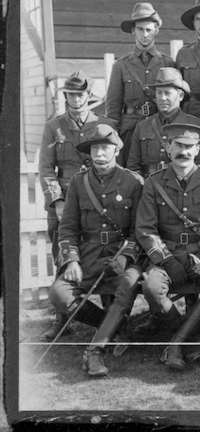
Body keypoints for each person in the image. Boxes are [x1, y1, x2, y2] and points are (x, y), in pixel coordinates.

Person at [47, 124, 144, 377]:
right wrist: (72, 261)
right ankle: (112, 330)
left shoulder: (133, 182)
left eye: (105, 148)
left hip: (121, 254)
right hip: (88, 255)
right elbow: (67, 228)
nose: (100, 153)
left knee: (128, 283)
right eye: (95, 148)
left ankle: (95, 351)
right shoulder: (78, 183)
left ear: (116, 150)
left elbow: (141, 230)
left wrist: (126, 256)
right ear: (89, 152)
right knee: (59, 293)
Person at [135, 123, 200, 370]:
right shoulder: (154, 183)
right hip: (168, 254)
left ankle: (176, 343)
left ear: (197, 149)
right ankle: (190, 338)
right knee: (152, 287)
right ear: (167, 148)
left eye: (189, 147)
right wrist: (167, 261)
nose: (184, 152)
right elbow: (146, 230)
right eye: (178, 146)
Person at [38, 70, 115, 341]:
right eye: (71, 94)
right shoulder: (54, 126)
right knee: (63, 259)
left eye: (81, 94)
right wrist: (57, 200)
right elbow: (46, 168)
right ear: (66, 96)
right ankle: (62, 319)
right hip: (64, 202)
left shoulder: (104, 123)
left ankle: (111, 314)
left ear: (88, 96)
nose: (76, 99)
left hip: (97, 201)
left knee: (102, 253)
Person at [105, 3, 176, 166]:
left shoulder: (168, 63)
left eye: (149, 30)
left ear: (156, 30)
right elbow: (113, 108)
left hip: (160, 128)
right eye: (140, 29)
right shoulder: (121, 66)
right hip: (130, 130)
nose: (145, 34)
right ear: (133, 30)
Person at [126, 68, 200, 179]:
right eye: (159, 93)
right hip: (150, 186)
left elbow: (199, 164)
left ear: (181, 96)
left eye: (167, 93)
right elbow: (133, 166)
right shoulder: (143, 126)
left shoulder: (194, 125)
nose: (162, 98)